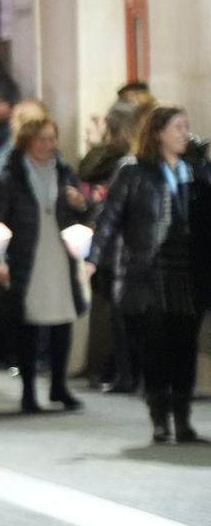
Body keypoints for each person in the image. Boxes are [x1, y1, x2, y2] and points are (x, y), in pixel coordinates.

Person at [92, 105, 203, 444]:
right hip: (148, 270)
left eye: (186, 127)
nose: (185, 133)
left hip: (188, 271)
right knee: (156, 349)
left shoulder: (194, 170)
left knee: (185, 347)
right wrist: (92, 258)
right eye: (178, 127)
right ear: (158, 133)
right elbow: (109, 217)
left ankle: (182, 419)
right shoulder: (134, 171)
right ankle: (159, 418)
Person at [0, 117, 87, 414]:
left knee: (62, 319)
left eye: (52, 139)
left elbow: (81, 215)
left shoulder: (65, 173)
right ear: (28, 142)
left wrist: (81, 204)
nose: (48, 145)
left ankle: (59, 385)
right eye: (41, 139)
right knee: (27, 323)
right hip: (27, 255)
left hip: (59, 253)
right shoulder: (9, 177)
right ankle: (29, 391)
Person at [78, 98, 146, 394]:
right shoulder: (133, 160)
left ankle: (126, 374)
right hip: (126, 247)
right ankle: (127, 372)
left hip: (120, 249)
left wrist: (96, 141)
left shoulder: (121, 159)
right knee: (124, 315)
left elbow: (88, 169)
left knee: (121, 315)